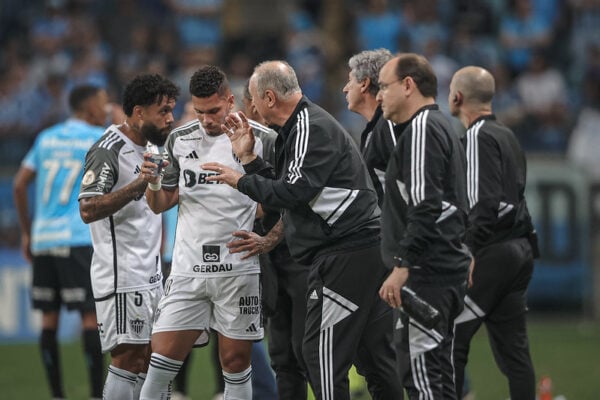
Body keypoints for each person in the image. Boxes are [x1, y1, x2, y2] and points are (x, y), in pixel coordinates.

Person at [204, 60, 402, 400]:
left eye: (252, 100)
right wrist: (249, 158)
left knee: (319, 354)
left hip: (346, 253)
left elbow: (292, 194)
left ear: (268, 97)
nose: (250, 108)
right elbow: (290, 192)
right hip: (360, 250)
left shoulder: (309, 127)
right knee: (373, 357)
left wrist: (241, 179)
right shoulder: (299, 128)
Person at [139, 65, 269, 400]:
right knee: (161, 357)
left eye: (214, 110)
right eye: (200, 112)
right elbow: (159, 203)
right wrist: (152, 182)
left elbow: (277, 200)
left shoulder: (262, 138)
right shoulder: (178, 140)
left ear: (230, 101)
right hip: (187, 270)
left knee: (235, 361)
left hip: (237, 268)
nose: (207, 119)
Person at [376, 53, 471, 399]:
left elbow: (426, 205)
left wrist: (403, 265)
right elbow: (456, 204)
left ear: (408, 85)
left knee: (422, 379)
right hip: (444, 269)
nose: (378, 96)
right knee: (439, 375)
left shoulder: (421, 130)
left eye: (384, 87)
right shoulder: (444, 125)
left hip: (425, 274)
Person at [78, 73, 179, 400]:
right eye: (163, 111)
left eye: (171, 110)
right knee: (128, 359)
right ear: (138, 112)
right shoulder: (109, 148)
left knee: (154, 360)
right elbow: (88, 209)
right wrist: (138, 185)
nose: (170, 118)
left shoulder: (155, 147)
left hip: (150, 273)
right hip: (121, 273)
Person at [12, 84, 108, 400]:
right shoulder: (96, 139)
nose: (105, 109)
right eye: (102, 103)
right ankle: (96, 394)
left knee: (48, 319)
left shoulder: (46, 137)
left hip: (44, 239)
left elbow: (18, 185)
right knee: (90, 317)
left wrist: (28, 232)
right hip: (78, 239)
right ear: (89, 107)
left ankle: (56, 394)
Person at [449, 66, 538, 400]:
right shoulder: (506, 133)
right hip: (520, 249)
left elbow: (483, 203)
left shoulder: (475, 137)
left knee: (450, 337)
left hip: (491, 252)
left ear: (457, 97)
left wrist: (468, 249)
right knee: (515, 353)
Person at [227, 80, 310, 400]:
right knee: (282, 354)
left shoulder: (288, 140)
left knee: (308, 351)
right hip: (270, 258)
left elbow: (295, 200)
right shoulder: (240, 144)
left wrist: (243, 192)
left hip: (300, 255)